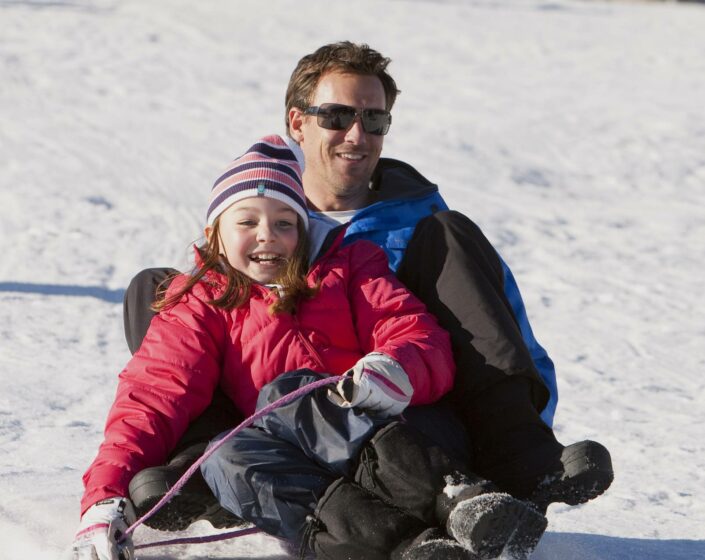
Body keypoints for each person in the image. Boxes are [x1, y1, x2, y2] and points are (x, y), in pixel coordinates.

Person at [124, 40, 612, 541]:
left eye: (374, 121)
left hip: (407, 433)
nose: (357, 135)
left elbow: (507, 336)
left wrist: (526, 421)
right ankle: (198, 462)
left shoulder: (422, 226)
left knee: (451, 233)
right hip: (277, 431)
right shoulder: (267, 215)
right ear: (298, 123)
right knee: (160, 290)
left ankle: (517, 450)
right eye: (336, 116)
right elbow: (167, 369)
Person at [67, 136, 548, 560]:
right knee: (223, 456)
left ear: (303, 231)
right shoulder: (201, 302)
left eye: (284, 223)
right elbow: (153, 393)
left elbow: (417, 333)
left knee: (289, 392)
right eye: (247, 221)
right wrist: (102, 500)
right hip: (315, 471)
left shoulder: (349, 268)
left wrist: (394, 371)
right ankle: (401, 546)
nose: (266, 236)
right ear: (215, 233)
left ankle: (464, 504)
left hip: (408, 442)